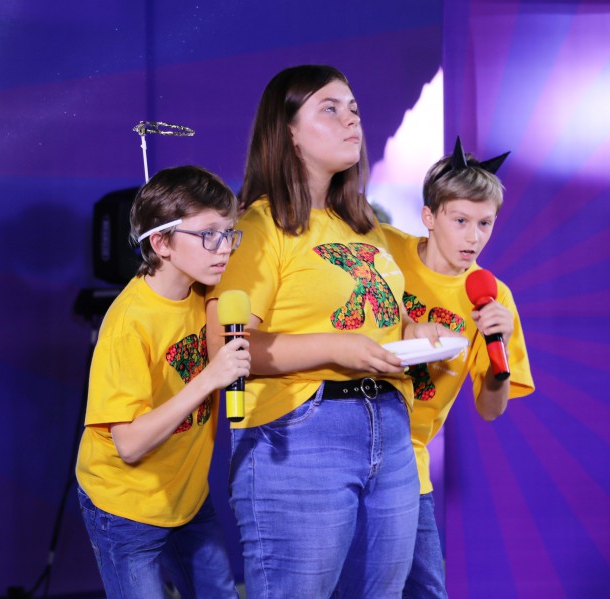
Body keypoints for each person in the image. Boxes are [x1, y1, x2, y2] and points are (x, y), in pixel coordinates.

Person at [205, 65, 456, 599]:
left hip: (390, 427)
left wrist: (416, 329)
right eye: (330, 108)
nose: (352, 121)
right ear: (289, 132)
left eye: (354, 109)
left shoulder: (364, 226)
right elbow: (227, 346)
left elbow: (376, 319)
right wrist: (339, 348)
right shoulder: (258, 227)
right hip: (298, 433)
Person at [76, 165, 249, 598]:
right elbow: (130, 444)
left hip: (187, 497)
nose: (224, 248)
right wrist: (209, 378)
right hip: (126, 506)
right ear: (161, 243)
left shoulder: (205, 294)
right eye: (208, 235)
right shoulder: (128, 325)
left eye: (228, 233)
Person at [381, 138, 535, 598]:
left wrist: (498, 360)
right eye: (461, 221)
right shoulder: (384, 247)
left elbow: (491, 409)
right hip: (349, 440)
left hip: (408, 457)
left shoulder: (494, 295)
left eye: (485, 223)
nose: (473, 238)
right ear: (429, 217)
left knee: (427, 589)